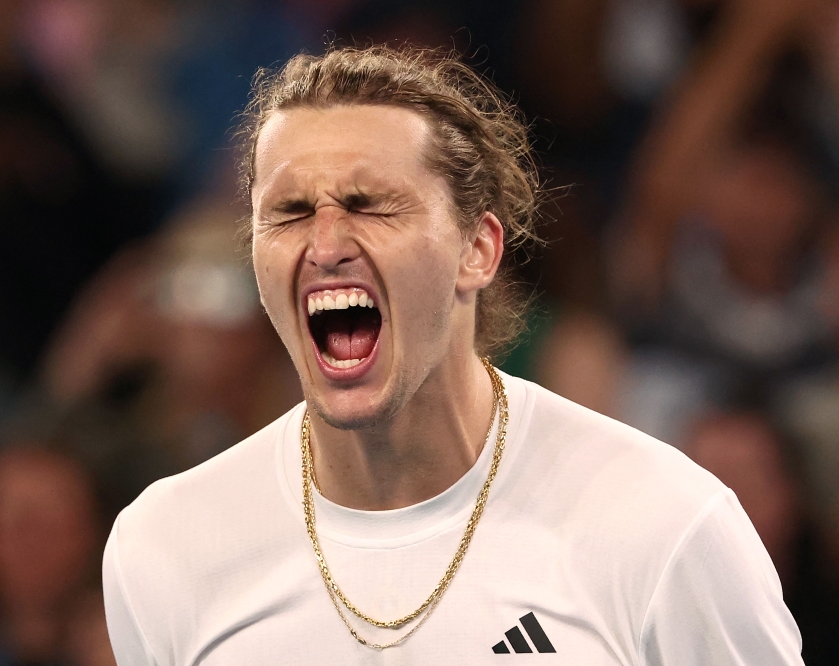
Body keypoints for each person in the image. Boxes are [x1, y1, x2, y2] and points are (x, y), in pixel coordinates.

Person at [102, 45, 803, 664]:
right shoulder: (164, 548)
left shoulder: (666, 527)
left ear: (479, 248)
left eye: (369, 203)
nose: (324, 245)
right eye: (287, 214)